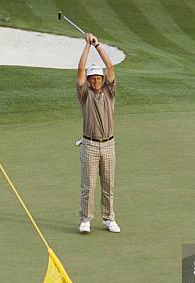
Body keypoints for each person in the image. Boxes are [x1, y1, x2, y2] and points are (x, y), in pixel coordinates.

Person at [76, 32, 121, 234]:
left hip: (109, 144)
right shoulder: (85, 95)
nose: (95, 80)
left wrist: (97, 45)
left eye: (98, 78)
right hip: (90, 145)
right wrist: (86, 45)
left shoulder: (110, 92)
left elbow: (110, 67)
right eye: (92, 78)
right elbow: (79, 70)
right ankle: (85, 219)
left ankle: (109, 218)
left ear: (102, 79)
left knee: (108, 184)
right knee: (88, 185)